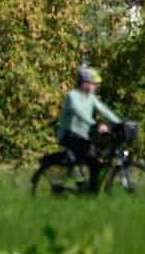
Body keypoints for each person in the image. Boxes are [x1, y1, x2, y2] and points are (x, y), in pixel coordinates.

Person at [56, 65, 121, 193]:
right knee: (93, 160)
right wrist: (95, 124)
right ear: (84, 82)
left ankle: (87, 188)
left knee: (96, 159)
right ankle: (90, 192)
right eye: (93, 83)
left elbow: (103, 110)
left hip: (81, 136)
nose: (95, 86)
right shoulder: (72, 96)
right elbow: (80, 113)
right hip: (68, 135)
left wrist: (119, 123)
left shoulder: (90, 97)